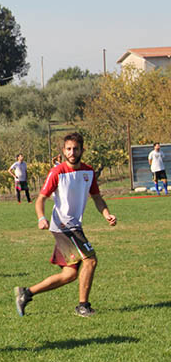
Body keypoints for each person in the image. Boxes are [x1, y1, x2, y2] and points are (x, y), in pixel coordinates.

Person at [14, 132, 117, 318]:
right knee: (90, 260)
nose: (72, 152)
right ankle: (83, 306)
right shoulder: (57, 172)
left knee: (69, 274)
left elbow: (97, 198)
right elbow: (41, 199)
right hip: (63, 225)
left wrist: (107, 214)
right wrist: (41, 218)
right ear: (63, 151)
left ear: (82, 150)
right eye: (68, 149)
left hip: (74, 225)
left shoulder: (88, 172)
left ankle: (26, 293)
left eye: (75, 149)